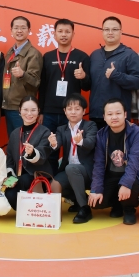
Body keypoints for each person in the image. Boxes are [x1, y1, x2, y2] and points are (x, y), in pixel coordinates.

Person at [39, 19, 91, 173]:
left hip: (72, 113)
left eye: (67, 32)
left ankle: (67, 181)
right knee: (50, 148)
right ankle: (51, 180)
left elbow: (87, 86)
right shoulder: (47, 57)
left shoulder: (82, 57)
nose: (63, 35)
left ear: (73, 34)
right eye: (60, 31)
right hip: (49, 112)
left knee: (72, 148)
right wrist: (41, 111)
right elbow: (42, 86)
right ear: (54, 34)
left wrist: (83, 77)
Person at [89, 98, 139, 225]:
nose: (114, 117)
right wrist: (96, 189)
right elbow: (98, 164)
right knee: (96, 203)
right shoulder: (101, 134)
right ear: (104, 117)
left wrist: (126, 184)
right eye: (110, 114)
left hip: (131, 175)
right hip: (111, 176)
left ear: (125, 114)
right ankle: (117, 204)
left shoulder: (137, 132)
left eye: (118, 113)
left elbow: (135, 161)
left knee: (131, 183)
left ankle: (129, 209)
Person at [48, 94, 98, 224]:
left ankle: (84, 208)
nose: (73, 112)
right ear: (65, 111)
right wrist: (53, 144)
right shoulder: (61, 129)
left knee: (71, 169)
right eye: (69, 109)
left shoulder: (90, 125)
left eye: (77, 109)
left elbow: (91, 143)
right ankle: (61, 210)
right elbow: (57, 144)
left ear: (84, 111)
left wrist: (80, 141)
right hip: (70, 170)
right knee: (55, 183)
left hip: (87, 170)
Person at [89, 17, 139, 129]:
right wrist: (83, 77)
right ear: (102, 32)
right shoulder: (95, 55)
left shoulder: (129, 54)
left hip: (118, 116)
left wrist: (117, 75)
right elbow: (89, 84)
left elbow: (138, 81)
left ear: (121, 32)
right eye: (107, 29)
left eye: (114, 29)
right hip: (96, 114)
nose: (110, 32)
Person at [4, 96, 52, 210]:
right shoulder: (15, 133)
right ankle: (28, 212)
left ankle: (33, 211)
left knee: (24, 180)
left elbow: (43, 155)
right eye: (25, 110)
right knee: (9, 194)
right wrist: (10, 177)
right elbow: (10, 158)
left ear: (38, 111)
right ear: (19, 111)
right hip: (18, 176)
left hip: (37, 175)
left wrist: (32, 153)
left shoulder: (44, 131)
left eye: (33, 110)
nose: (29, 113)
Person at [1, 16, 43, 136]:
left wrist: (23, 74)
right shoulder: (10, 52)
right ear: (11, 31)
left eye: (23, 28)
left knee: (24, 141)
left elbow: (36, 82)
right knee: (13, 141)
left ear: (29, 30)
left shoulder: (33, 54)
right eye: (16, 28)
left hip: (23, 108)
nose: (19, 31)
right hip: (9, 106)